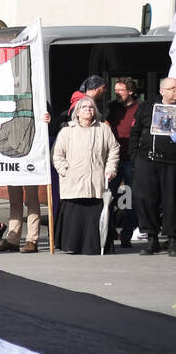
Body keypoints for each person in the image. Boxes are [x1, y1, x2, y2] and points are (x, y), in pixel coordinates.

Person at [52, 96, 119, 254]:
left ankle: (95, 246)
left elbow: (114, 150)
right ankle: (71, 246)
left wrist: (111, 169)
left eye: (91, 107)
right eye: (84, 107)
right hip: (73, 181)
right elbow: (57, 154)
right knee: (74, 215)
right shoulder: (67, 131)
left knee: (95, 213)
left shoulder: (103, 129)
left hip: (96, 180)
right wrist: (64, 171)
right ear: (77, 112)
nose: (88, 110)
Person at [131, 76, 176, 255]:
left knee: (171, 201)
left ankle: (172, 239)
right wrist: (134, 156)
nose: (175, 91)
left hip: (172, 162)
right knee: (145, 199)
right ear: (162, 91)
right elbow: (135, 132)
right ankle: (151, 238)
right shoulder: (148, 107)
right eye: (172, 88)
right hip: (147, 160)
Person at [106, 78, 141, 248]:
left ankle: (127, 234)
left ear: (131, 92)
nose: (117, 93)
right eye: (116, 89)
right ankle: (110, 233)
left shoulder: (140, 108)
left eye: (121, 90)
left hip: (131, 158)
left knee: (131, 198)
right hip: (113, 158)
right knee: (109, 197)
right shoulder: (112, 107)